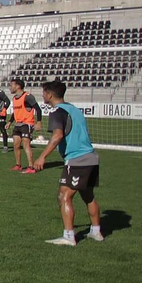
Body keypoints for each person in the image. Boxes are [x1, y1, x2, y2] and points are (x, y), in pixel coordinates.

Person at [35, 80, 105, 246]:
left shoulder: (57, 111)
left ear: (49, 95)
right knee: (88, 195)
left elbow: (57, 135)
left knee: (64, 196)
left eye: (44, 92)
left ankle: (69, 236)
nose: (43, 95)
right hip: (91, 157)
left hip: (77, 159)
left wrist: (42, 156)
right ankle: (96, 232)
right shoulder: (74, 109)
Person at [7, 79, 43, 173]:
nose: (10, 87)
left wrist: (39, 122)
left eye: (12, 85)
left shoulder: (28, 97)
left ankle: (31, 167)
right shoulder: (14, 98)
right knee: (16, 145)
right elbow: (15, 112)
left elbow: (38, 109)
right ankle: (18, 165)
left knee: (26, 145)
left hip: (27, 124)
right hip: (18, 124)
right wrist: (10, 122)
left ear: (18, 86)